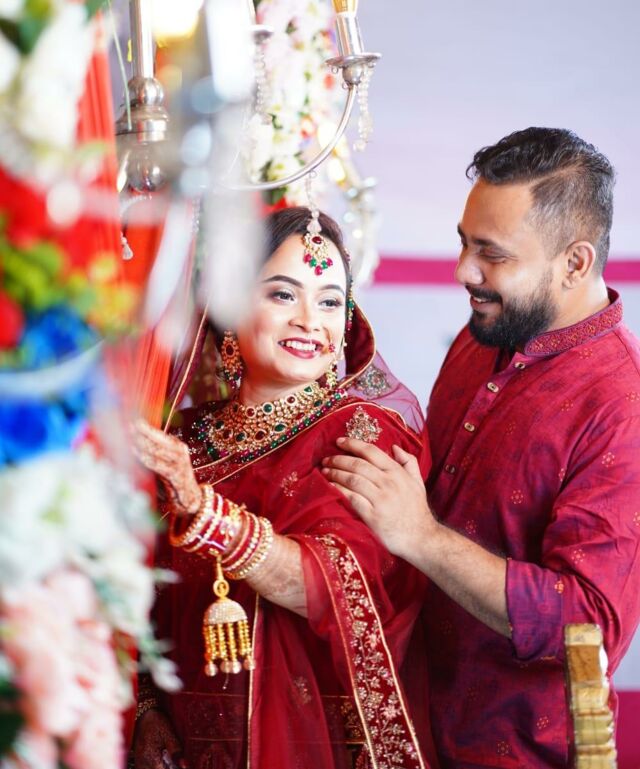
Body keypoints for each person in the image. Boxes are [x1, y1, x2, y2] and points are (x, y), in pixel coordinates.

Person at [323, 127, 640, 768]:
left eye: (492, 254)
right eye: (464, 242)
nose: (464, 270)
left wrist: (420, 537)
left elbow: (587, 624)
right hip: (407, 718)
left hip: (516, 749)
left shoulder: (620, 405)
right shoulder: (483, 335)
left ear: (575, 263)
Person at [132, 207, 436, 769]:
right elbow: (136, 591)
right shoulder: (183, 441)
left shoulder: (363, 434)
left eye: (329, 302)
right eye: (282, 294)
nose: (309, 321)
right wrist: (144, 708)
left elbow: (336, 585)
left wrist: (205, 515)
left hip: (309, 745)